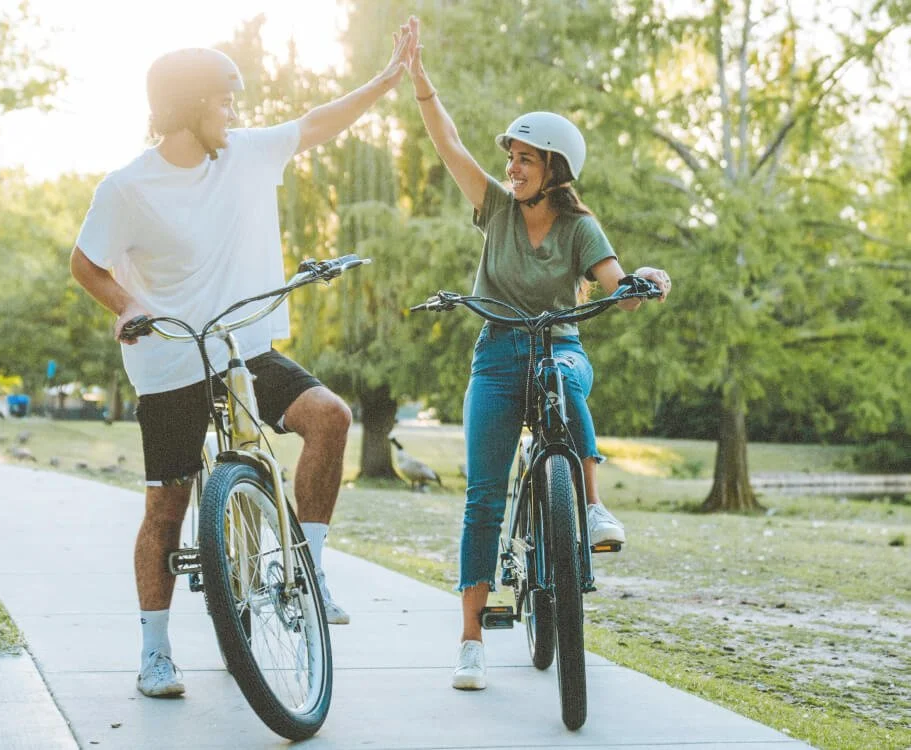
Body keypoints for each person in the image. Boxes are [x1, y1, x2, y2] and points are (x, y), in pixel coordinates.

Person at [70, 28, 414, 698]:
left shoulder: (248, 155)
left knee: (330, 417)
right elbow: (86, 262)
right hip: (171, 361)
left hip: (245, 349)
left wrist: (383, 80)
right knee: (166, 508)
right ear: (190, 105)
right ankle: (154, 654)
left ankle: (304, 575)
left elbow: (318, 122)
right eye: (225, 101)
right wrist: (123, 304)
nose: (235, 112)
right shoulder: (127, 188)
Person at [404, 16, 671, 691]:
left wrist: (644, 281)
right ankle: (470, 639)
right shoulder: (493, 207)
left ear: (552, 167)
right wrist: (419, 82)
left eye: (524, 158)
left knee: (563, 373)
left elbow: (619, 292)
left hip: (559, 348)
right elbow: (450, 145)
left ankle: (591, 505)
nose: (511, 167)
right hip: (495, 356)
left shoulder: (580, 226)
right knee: (482, 498)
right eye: (511, 157)